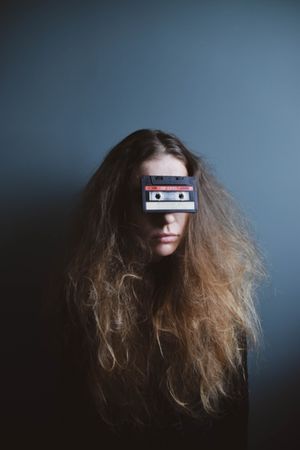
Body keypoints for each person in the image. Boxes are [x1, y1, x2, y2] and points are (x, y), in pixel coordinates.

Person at [60, 129, 264, 449]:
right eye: (148, 195)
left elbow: (234, 425)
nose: (166, 217)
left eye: (179, 195)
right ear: (118, 206)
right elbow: (76, 426)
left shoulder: (222, 299)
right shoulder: (85, 303)